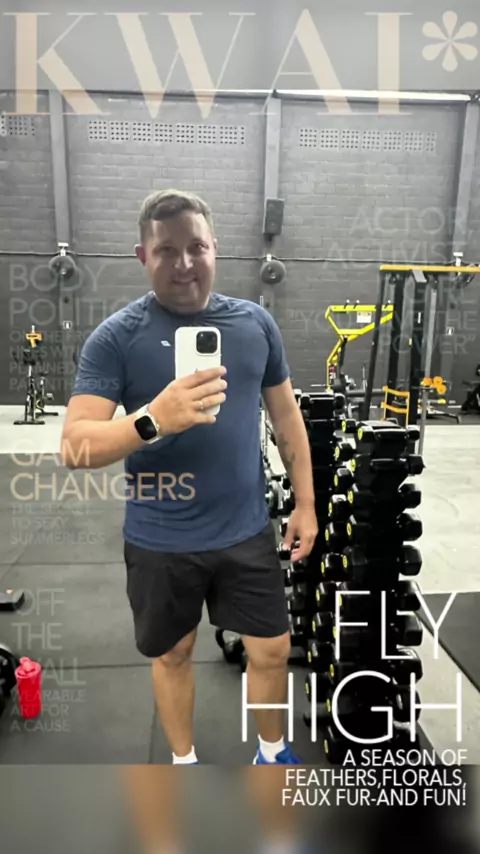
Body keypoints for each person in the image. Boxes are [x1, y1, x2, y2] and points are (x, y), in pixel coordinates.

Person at [61, 188, 318, 765]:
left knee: (273, 650)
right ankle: (183, 765)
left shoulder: (254, 324)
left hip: (245, 529)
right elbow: (76, 446)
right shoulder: (116, 338)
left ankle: (272, 752)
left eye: (196, 247)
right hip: (161, 540)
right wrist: (154, 419)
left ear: (214, 248)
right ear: (142, 256)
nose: (184, 264)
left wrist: (305, 503)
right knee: (174, 654)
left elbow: (286, 417)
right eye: (166, 250)